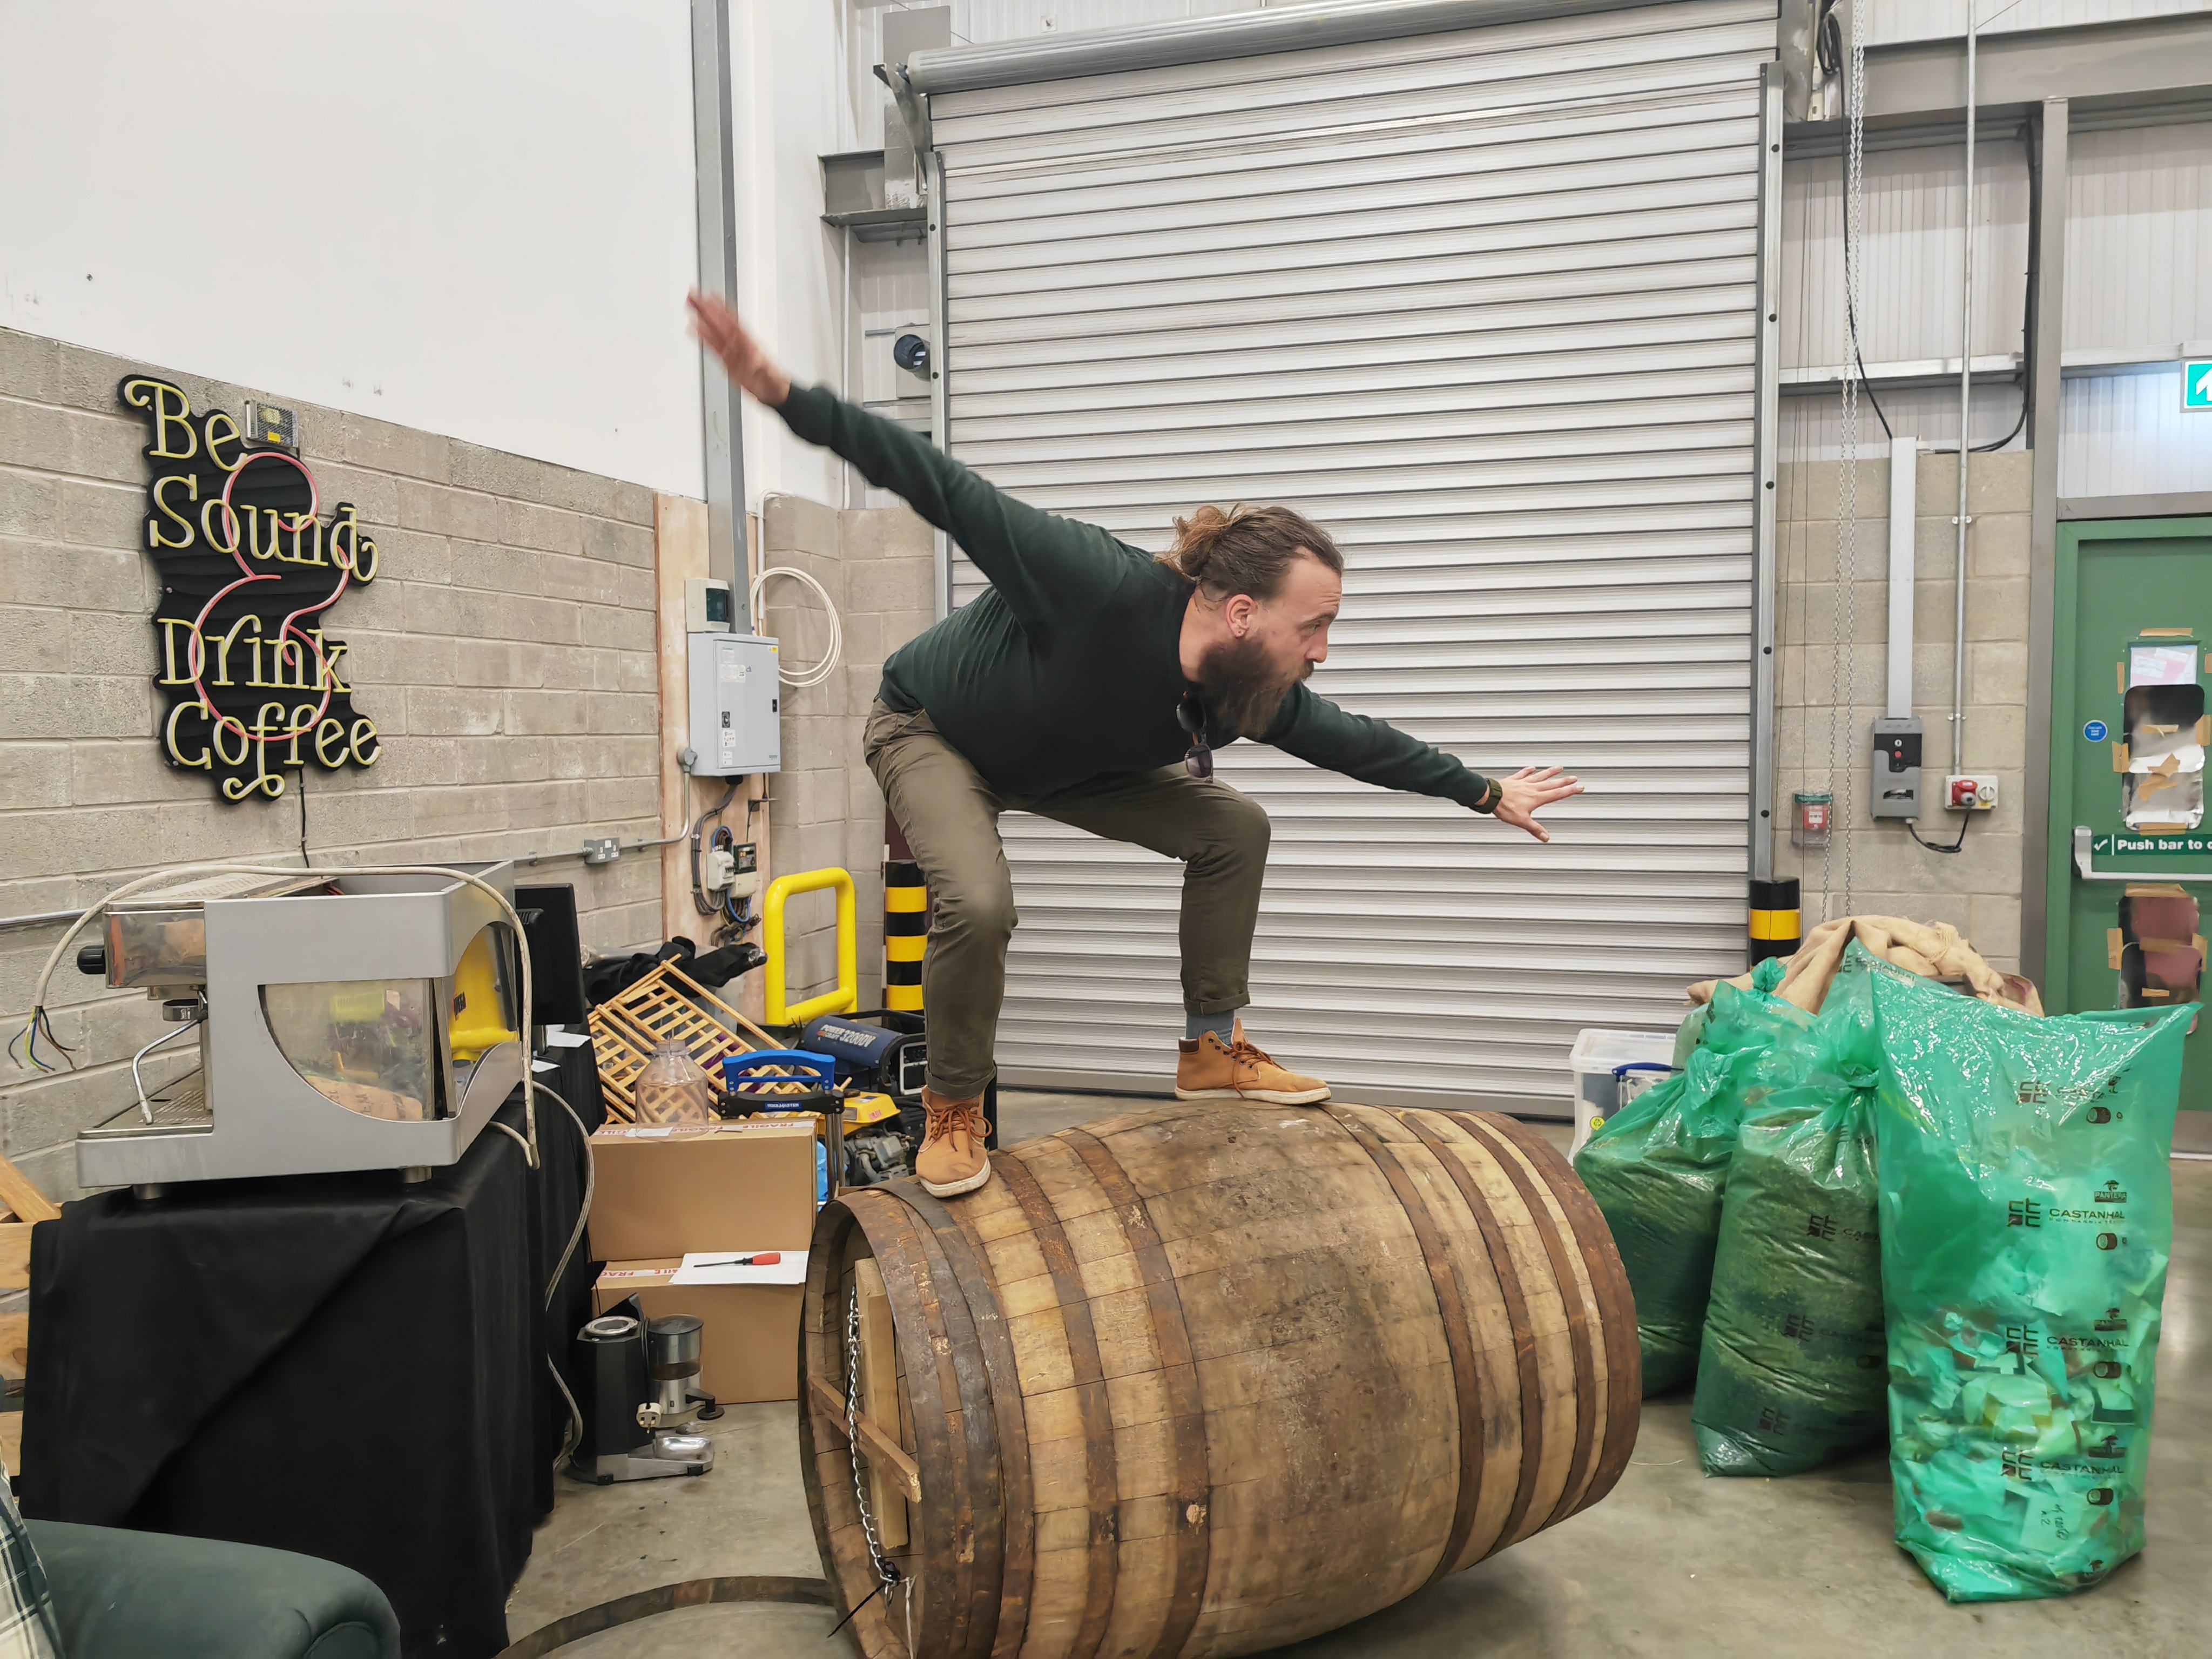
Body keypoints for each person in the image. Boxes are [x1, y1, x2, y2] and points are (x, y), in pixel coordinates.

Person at [690, 292, 1583, 1199]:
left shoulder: (1249, 690)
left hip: (1067, 767)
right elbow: (943, 485)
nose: (1322, 651)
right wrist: (785, 395)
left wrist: (1484, 791)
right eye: (1313, 627)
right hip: (933, 730)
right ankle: (953, 1106)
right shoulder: (1093, 584)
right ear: (1243, 612)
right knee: (980, 902)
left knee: (1235, 828)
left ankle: (1212, 1047)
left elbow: (1355, 740)